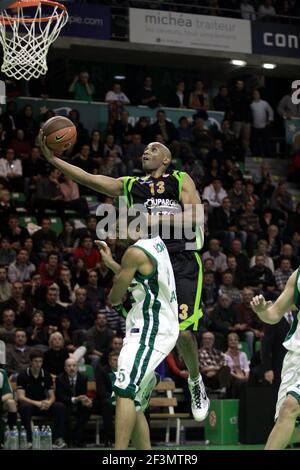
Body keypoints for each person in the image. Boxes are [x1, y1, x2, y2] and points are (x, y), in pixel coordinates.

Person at [39, 135, 210, 422]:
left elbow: (196, 217)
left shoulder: (180, 179)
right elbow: (90, 179)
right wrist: (54, 159)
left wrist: (157, 220)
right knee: (145, 330)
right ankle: (146, 380)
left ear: (166, 159)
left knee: (182, 333)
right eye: (145, 148)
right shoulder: (132, 185)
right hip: (151, 262)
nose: (147, 150)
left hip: (181, 260)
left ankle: (195, 381)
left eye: (154, 149)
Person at [94, 232, 179, 450]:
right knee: (135, 403)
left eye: (119, 226)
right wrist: (112, 263)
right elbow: (138, 278)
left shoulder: (133, 252)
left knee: (123, 388)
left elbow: (114, 296)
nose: (113, 232)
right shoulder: (156, 245)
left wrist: (115, 293)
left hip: (151, 326)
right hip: (158, 323)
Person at [250, 268, 300, 449]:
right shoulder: (297, 276)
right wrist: (262, 310)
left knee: (290, 406)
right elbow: (273, 315)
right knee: (285, 423)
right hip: (295, 357)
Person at [17, 349, 67, 449]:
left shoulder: (46, 375)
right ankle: (29, 440)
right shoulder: (22, 375)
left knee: (60, 406)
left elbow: (52, 395)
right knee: (24, 407)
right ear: (31, 362)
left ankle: (57, 439)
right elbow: (21, 397)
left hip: (43, 405)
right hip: (30, 405)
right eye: (36, 361)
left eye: (40, 361)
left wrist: (49, 402)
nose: (38, 364)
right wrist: (37, 403)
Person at [55, 357, 92, 447]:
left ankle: (77, 438)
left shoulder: (83, 378)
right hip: (66, 404)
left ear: (77, 367)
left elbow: (84, 394)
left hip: (79, 405)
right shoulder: (60, 378)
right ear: (65, 368)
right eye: (69, 366)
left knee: (88, 408)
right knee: (64, 407)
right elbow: (60, 397)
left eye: (74, 366)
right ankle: (69, 439)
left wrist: (86, 400)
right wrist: (75, 399)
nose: (72, 368)